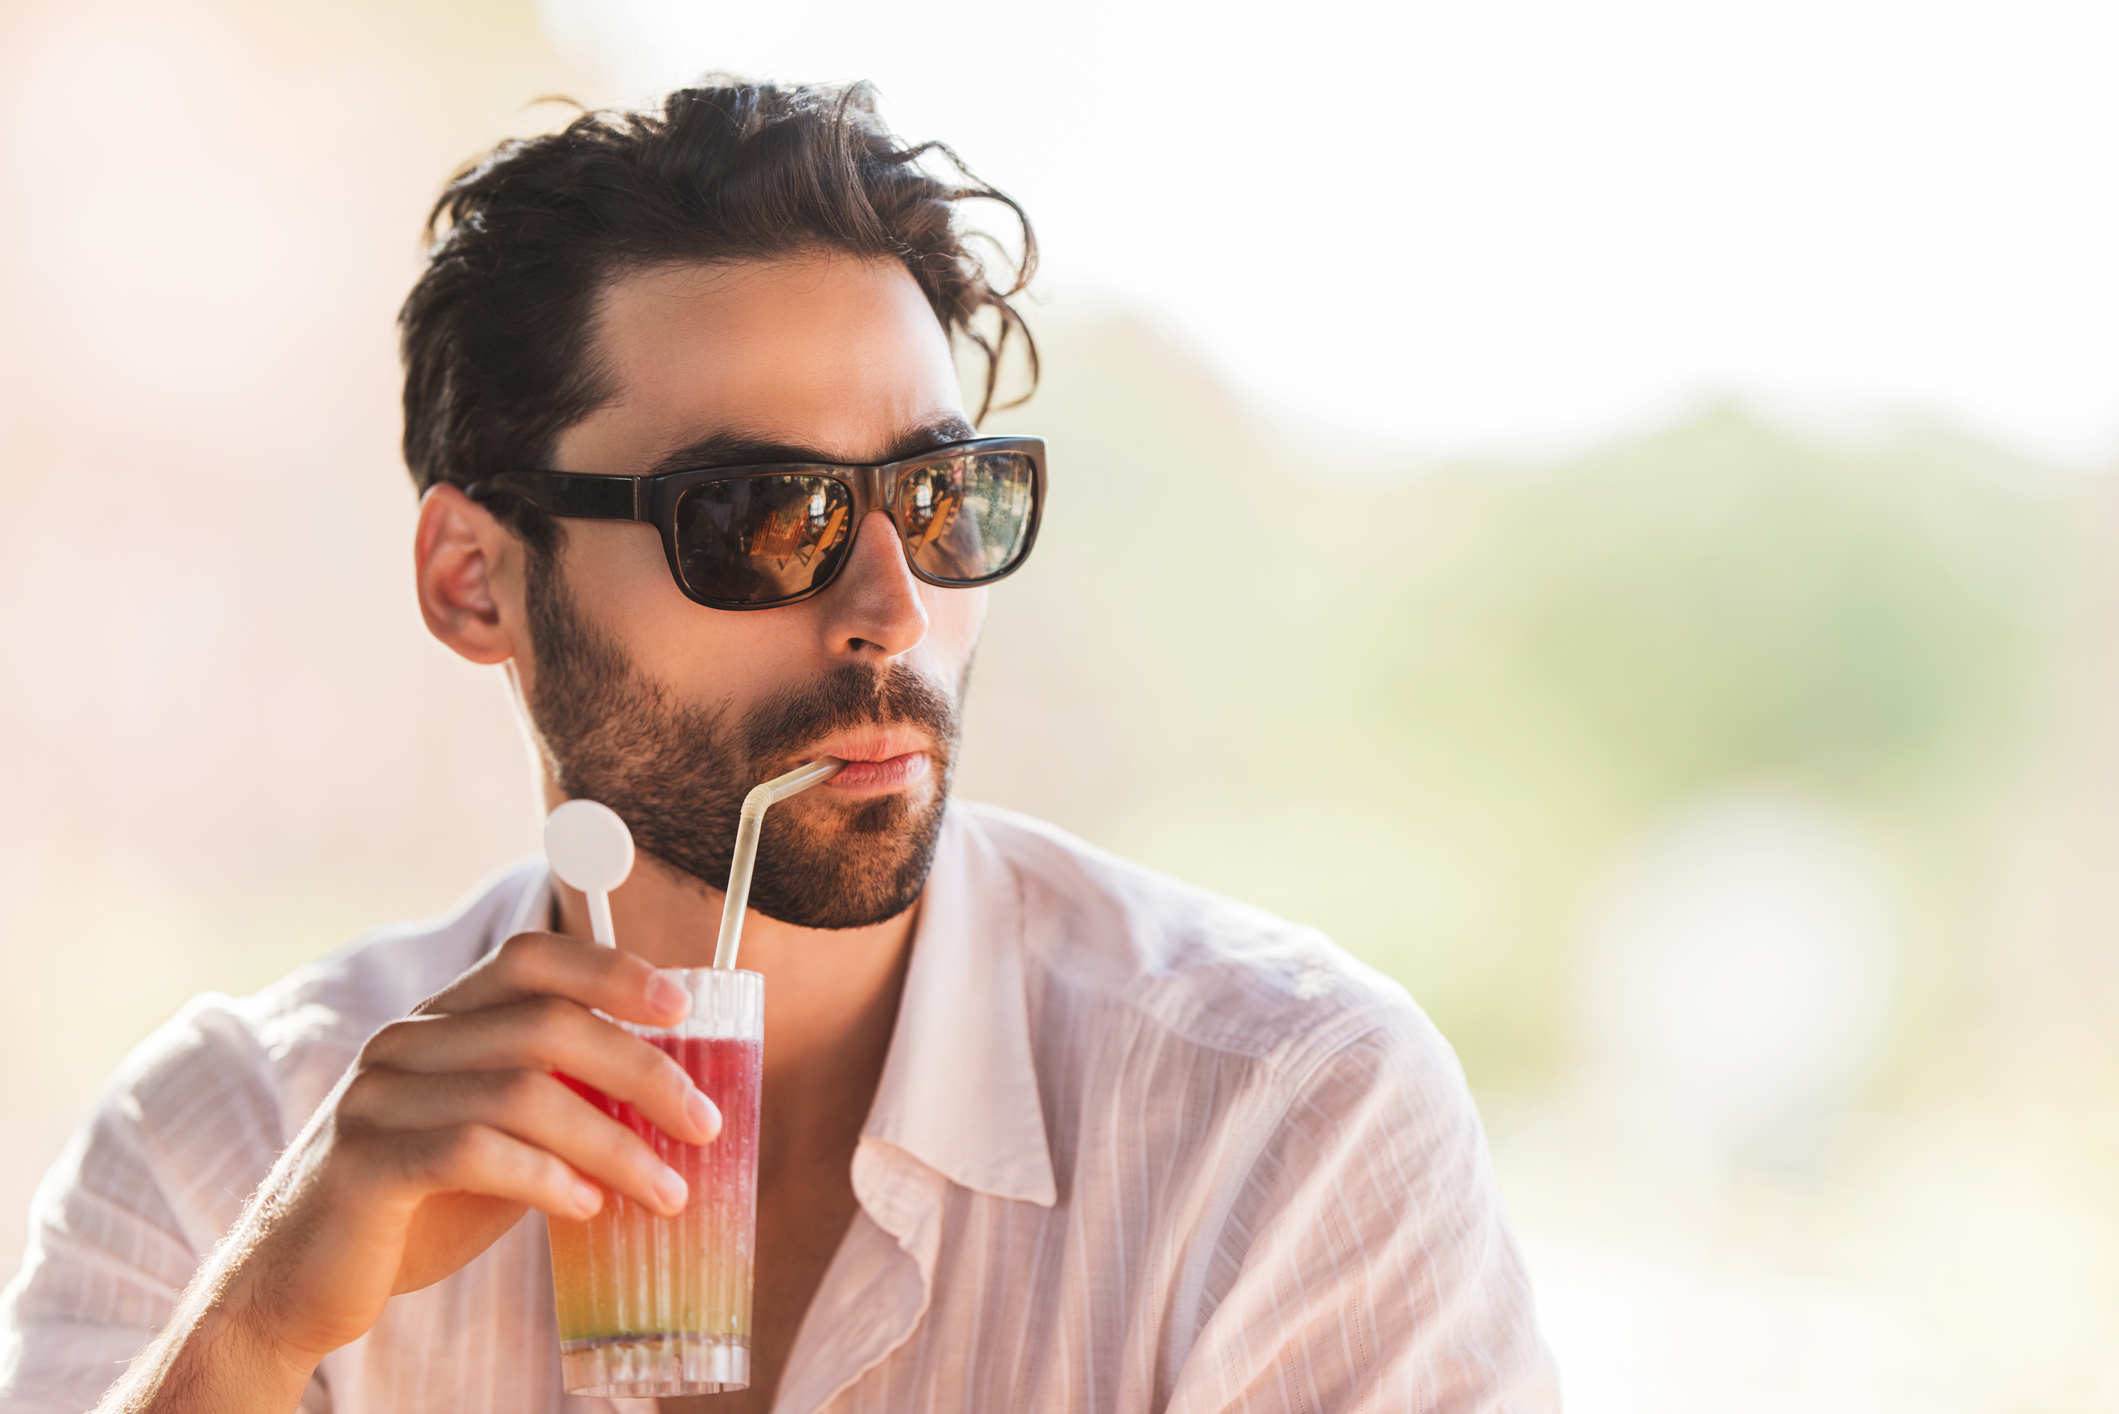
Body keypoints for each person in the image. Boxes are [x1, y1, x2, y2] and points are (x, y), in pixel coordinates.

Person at [0, 81, 1558, 1414]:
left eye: (945, 500)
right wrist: (256, 1337)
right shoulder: (216, 1149)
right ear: (476, 577)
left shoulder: (1280, 1126)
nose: (893, 607)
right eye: (761, 513)